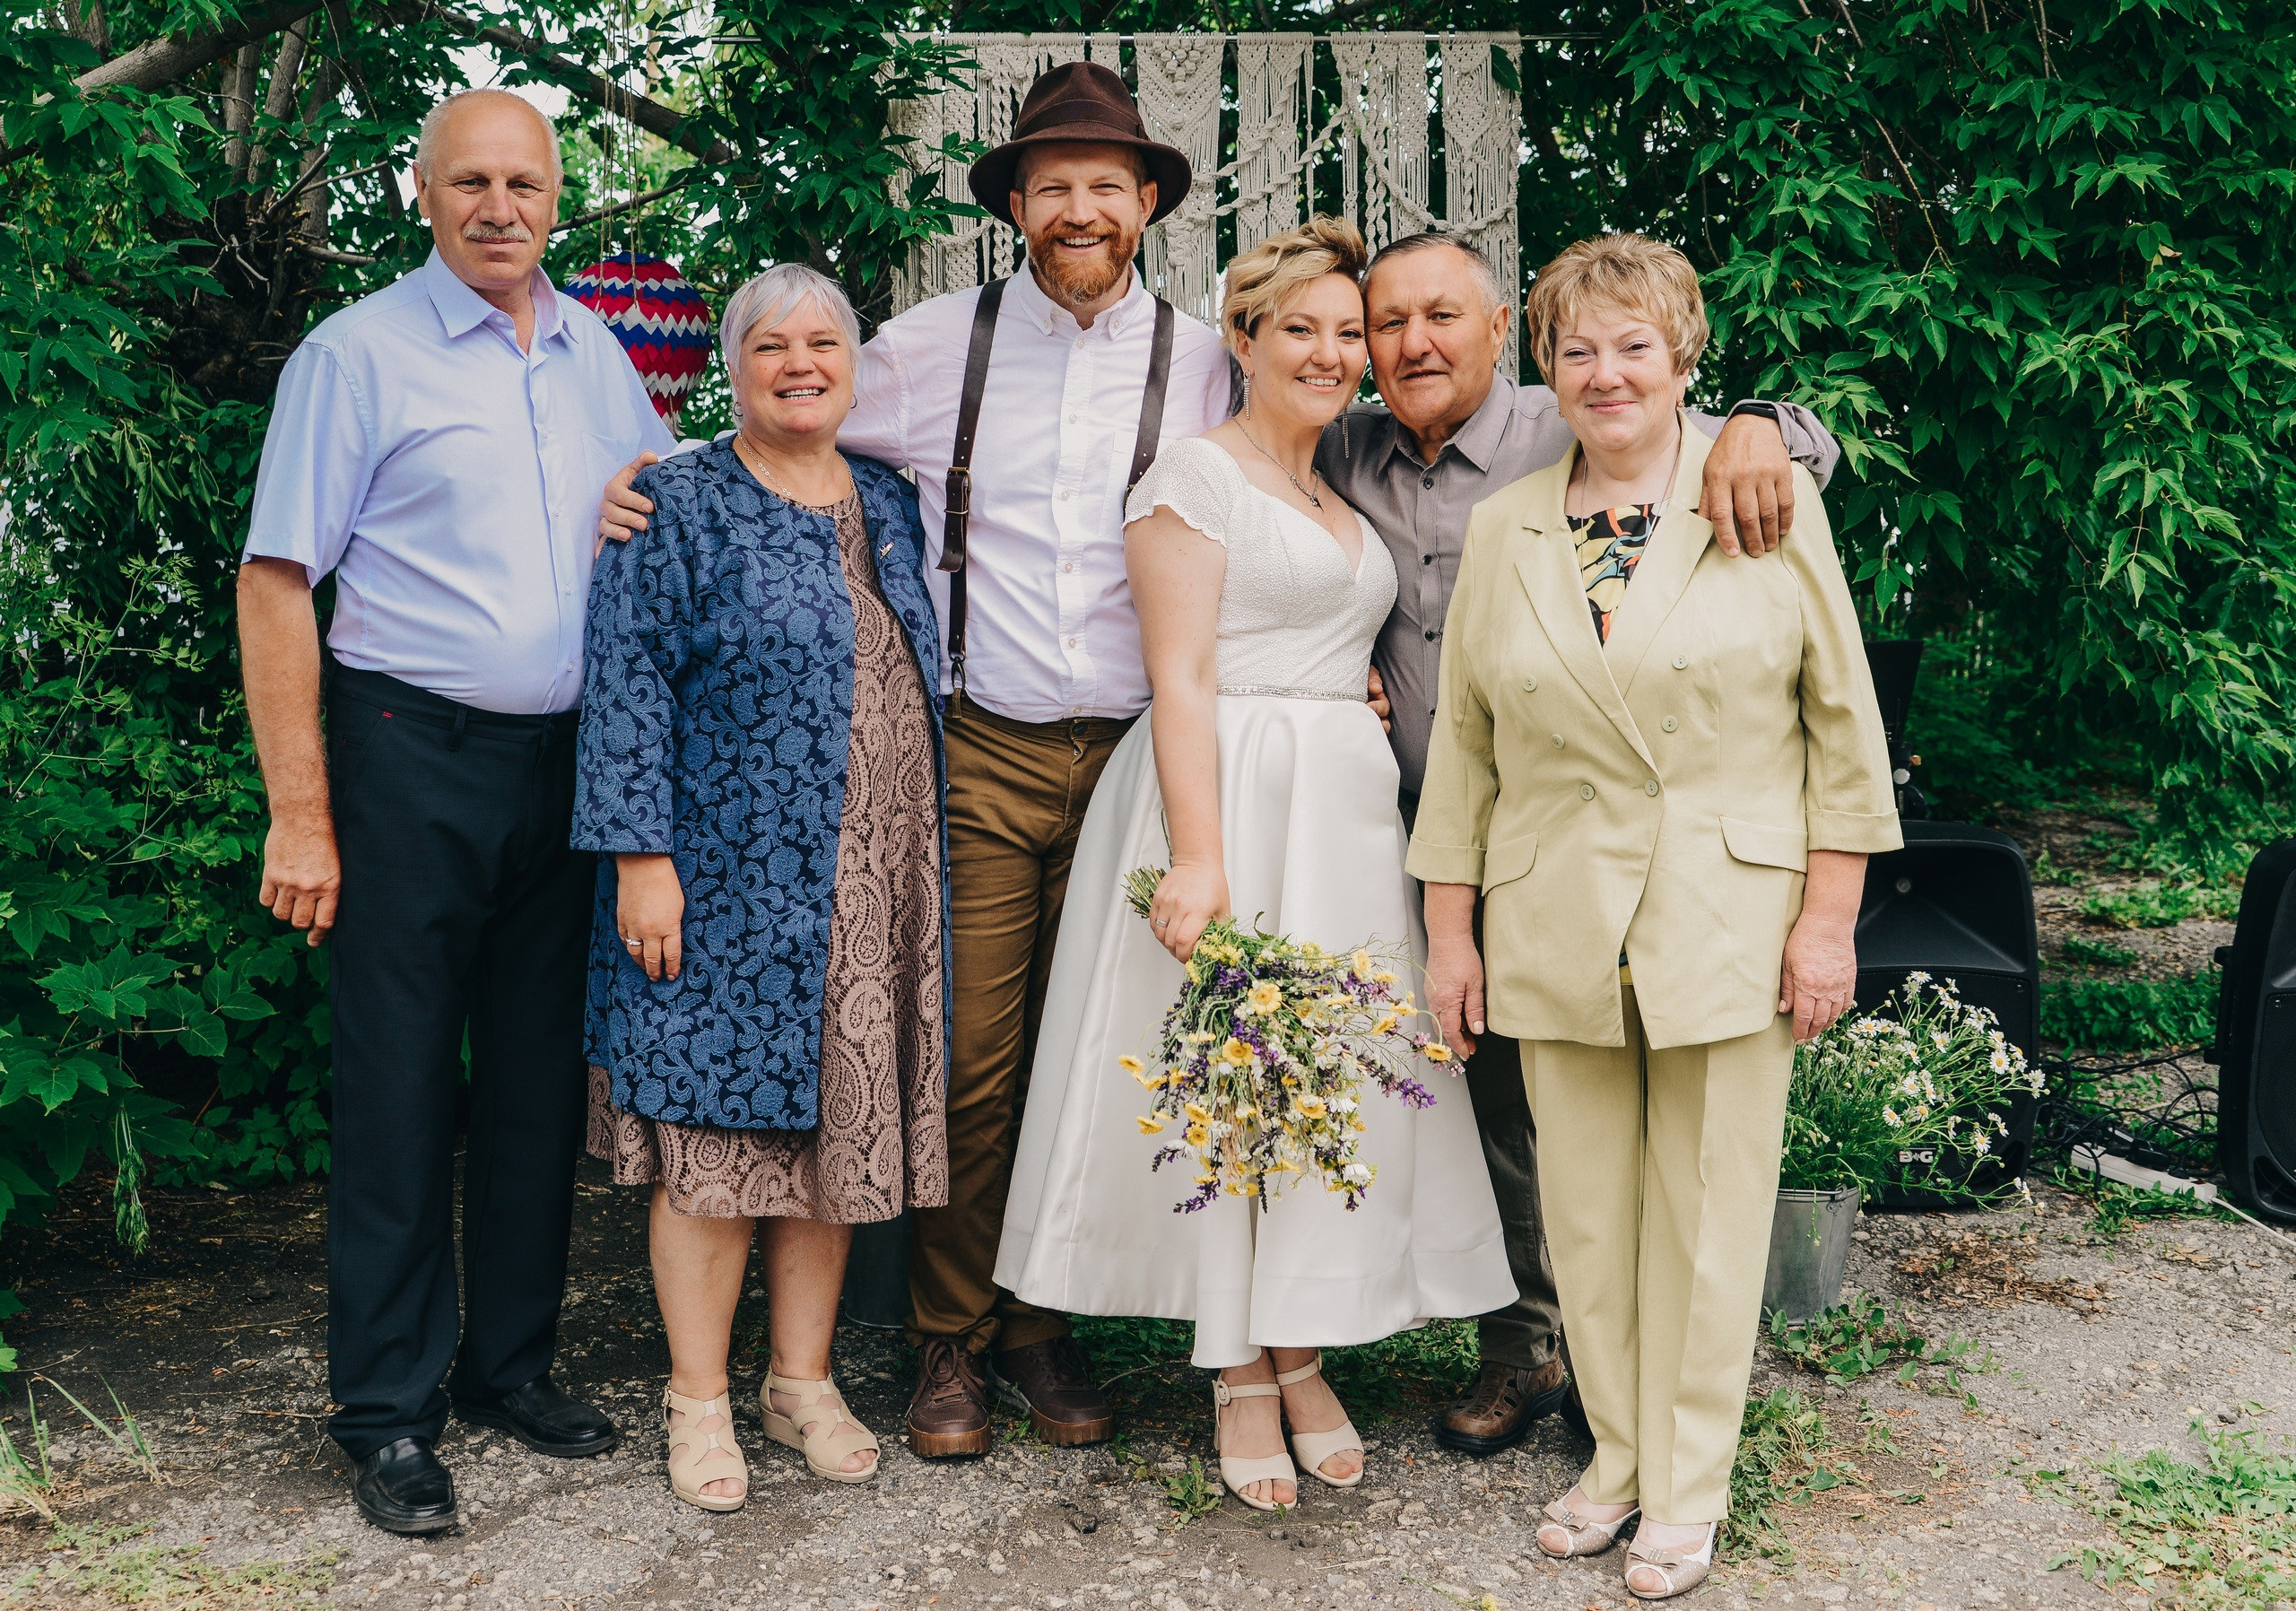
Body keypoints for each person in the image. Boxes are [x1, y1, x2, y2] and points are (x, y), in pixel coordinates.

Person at [596, 61, 1250, 1459]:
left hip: (1147, 754)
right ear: (1016, 203)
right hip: (988, 751)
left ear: (1146, 204)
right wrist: (641, 476)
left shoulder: (1209, 362)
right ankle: (947, 1340)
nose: (1080, 210)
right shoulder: (929, 344)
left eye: (1106, 186)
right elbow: (783, 413)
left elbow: (1315, 478)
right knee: (966, 1060)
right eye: (1053, 185)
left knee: (1108, 1055)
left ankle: (1045, 1328)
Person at [996, 216, 1514, 1512]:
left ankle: (1299, 1348)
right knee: (1233, 1078)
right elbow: (1180, 677)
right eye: (1305, 330)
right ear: (1243, 338)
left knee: (1321, 1078)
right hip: (1223, 801)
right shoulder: (1196, 477)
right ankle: (1237, 1366)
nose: (1336, 354)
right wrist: (1201, 858)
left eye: (1352, 333)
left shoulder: (1337, 483)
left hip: (1340, 816)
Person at [1410, 233, 1900, 1599]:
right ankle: (1615, 1460)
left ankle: (1691, 1484)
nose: (1607, 371)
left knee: (1708, 1208)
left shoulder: (1766, 500)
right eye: (1578, 348)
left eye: (1635, 345)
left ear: (1685, 356)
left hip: (1728, 911)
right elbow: (1467, 752)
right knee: (1585, 1215)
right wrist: (1453, 934)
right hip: (1552, 915)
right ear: (1546, 368)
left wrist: (1829, 922)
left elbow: (1842, 730)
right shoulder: (1508, 527)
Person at [1317, 230, 1842, 1455]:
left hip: (1614, 838)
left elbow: (1730, 440)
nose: (1414, 342)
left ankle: (1603, 1381)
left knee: (1605, 1124)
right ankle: (1534, 1348)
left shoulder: (1572, 428)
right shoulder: (1340, 452)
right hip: (1418, 820)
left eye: (1443, 315)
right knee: (1493, 1095)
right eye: (1387, 323)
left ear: (1506, 333)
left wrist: (1764, 417)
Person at [237, 88, 674, 1534]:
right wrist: (301, 815)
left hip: (566, 768)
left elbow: (665, 512)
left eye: (525, 183)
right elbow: (278, 580)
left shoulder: (599, 351)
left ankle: (508, 1366)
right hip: (404, 751)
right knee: (404, 1080)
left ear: (559, 196)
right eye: (470, 182)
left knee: (542, 1080)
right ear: (421, 194)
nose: (500, 208)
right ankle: (384, 1408)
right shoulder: (354, 355)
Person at [576, 265, 949, 1509]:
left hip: (871, 872)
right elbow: (624, 676)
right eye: (772, 345)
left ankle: (801, 1381)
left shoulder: (889, 498)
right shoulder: (671, 501)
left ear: (855, 363)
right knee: (715, 1140)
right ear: (732, 368)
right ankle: (696, 1399)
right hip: (725, 876)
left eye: (823, 342)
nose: (800, 363)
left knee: (835, 1132)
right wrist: (641, 860)